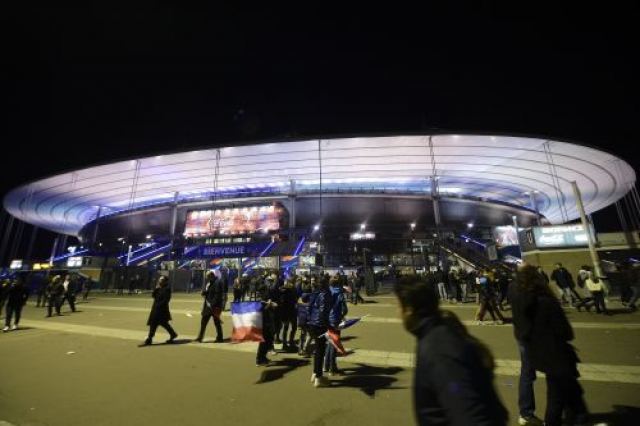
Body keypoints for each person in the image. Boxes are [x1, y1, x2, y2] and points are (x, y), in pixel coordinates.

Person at [395, 275, 508, 425]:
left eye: (399, 307)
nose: (398, 314)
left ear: (409, 310)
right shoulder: (437, 333)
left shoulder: (439, 348)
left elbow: (472, 416)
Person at [514, 265, 589, 426]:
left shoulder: (521, 297)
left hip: (537, 351)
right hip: (557, 355)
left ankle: (528, 413)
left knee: (568, 394)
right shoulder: (546, 302)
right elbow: (566, 332)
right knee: (558, 398)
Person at [509, 265, 544, 425]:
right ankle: (526, 412)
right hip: (535, 335)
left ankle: (526, 411)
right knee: (555, 372)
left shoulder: (512, 286)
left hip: (521, 333)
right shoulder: (530, 289)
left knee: (527, 373)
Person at [307, 275, 332, 388]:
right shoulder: (325, 294)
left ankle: (315, 373)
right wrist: (326, 325)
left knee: (317, 350)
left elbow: (309, 308)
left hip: (312, 324)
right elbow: (323, 311)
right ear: (326, 284)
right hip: (320, 325)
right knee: (320, 351)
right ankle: (318, 377)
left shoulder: (314, 292)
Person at [142, 275, 178, 345]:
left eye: (161, 280)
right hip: (155, 309)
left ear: (165, 281)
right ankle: (172, 334)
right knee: (158, 324)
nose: (160, 281)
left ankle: (149, 339)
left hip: (161, 310)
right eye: (160, 280)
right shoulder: (159, 288)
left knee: (158, 323)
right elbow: (153, 296)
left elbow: (166, 300)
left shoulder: (167, 289)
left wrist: (159, 306)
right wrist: (156, 289)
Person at [195, 270, 224, 343]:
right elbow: (210, 292)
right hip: (208, 306)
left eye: (207, 277)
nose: (207, 278)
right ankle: (200, 337)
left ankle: (220, 337)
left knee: (216, 323)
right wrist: (204, 293)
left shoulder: (218, 283)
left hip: (214, 306)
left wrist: (212, 304)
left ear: (211, 276)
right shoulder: (211, 282)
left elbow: (218, 295)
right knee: (204, 322)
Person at [256, 281, 278, 366]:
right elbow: (262, 311)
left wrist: (271, 304)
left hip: (266, 323)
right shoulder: (260, 300)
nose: (267, 292)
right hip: (263, 324)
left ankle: (263, 358)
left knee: (266, 341)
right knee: (263, 342)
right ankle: (259, 359)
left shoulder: (264, 299)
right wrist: (269, 305)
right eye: (265, 290)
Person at [279, 278, 298, 351]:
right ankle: (290, 342)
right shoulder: (292, 290)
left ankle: (286, 343)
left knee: (286, 328)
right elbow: (295, 300)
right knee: (292, 327)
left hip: (286, 312)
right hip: (291, 312)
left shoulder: (283, 290)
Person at [297, 280, 313, 356]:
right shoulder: (311, 299)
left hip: (301, 320)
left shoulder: (300, 300)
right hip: (309, 320)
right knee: (310, 335)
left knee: (302, 334)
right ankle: (305, 349)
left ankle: (300, 349)